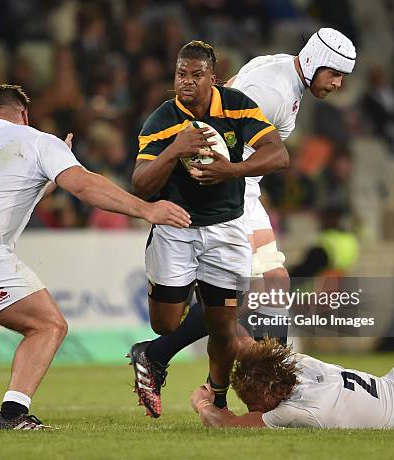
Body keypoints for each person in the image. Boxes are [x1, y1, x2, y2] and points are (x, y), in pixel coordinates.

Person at [0, 84, 190, 431]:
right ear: (24, 114)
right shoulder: (38, 140)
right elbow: (83, 186)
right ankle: (13, 415)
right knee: (48, 326)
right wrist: (146, 209)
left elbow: (5, 190)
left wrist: (50, 173)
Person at [128, 28, 356, 417]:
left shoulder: (282, 68)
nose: (337, 83)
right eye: (334, 73)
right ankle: (276, 389)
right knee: (256, 293)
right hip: (233, 193)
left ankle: (171, 358)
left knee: (269, 288)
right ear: (316, 61)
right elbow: (224, 142)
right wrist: (222, 177)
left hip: (243, 188)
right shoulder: (275, 94)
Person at [128, 40, 289, 418]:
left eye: (196, 75)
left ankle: (217, 398)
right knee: (165, 324)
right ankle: (149, 352)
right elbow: (140, 185)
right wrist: (174, 149)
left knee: (222, 323)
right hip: (177, 228)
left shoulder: (237, 105)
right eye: (181, 74)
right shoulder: (162, 120)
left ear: (212, 78)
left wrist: (229, 170)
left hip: (227, 229)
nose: (186, 81)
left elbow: (278, 155)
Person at [190, 338, 394, 429]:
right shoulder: (300, 364)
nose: (251, 408)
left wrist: (202, 402)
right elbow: (251, 351)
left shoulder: (300, 410)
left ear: (269, 392)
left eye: (252, 401)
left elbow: (229, 425)